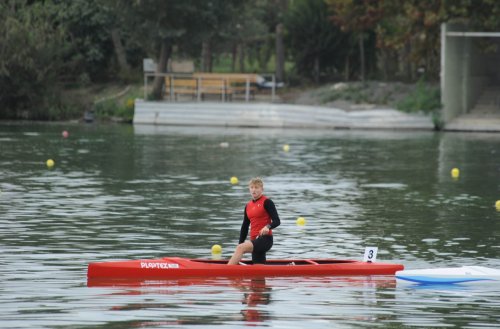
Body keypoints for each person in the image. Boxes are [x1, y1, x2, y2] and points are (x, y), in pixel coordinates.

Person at [228, 177, 281, 265]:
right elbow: (244, 226)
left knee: (241, 248)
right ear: (249, 189)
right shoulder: (248, 206)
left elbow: (277, 221)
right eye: (252, 187)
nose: (254, 190)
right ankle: (259, 278)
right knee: (258, 270)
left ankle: (227, 272)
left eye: (256, 187)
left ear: (262, 189)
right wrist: (240, 243)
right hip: (254, 240)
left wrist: (268, 227)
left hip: (265, 239)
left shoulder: (267, 202)